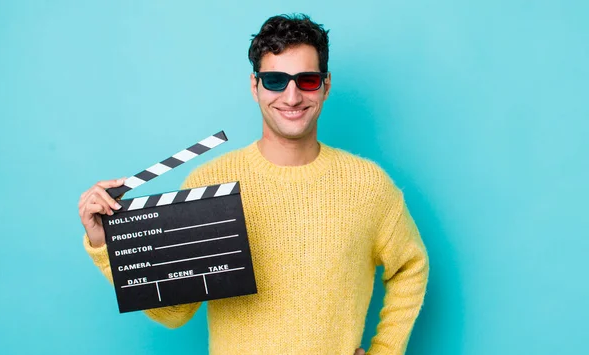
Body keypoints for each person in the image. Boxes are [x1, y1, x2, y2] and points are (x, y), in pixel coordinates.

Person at [79, 13, 429, 355]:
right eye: (275, 80)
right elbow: (173, 312)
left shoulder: (367, 185)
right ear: (255, 86)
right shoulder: (210, 182)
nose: (291, 97)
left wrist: (386, 350)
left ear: (325, 85)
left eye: (306, 80)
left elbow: (410, 266)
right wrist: (104, 243)